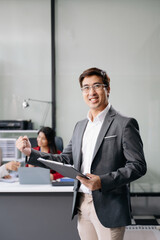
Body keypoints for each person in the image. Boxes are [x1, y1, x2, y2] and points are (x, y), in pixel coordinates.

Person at [16, 67, 147, 240]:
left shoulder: (124, 124)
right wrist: (29, 152)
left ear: (107, 89)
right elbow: (64, 159)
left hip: (109, 205)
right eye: (86, 87)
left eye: (97, 86)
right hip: (82, 203)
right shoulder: (80, 126)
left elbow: (138, 166)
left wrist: (102, 181)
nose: (91, 92)